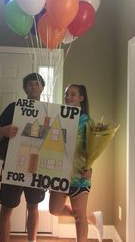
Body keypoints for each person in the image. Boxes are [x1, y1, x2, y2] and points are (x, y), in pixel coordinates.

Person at [0, 72, 46, 242]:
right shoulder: (13, 108)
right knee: (7, 208)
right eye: (30, 84)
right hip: (14, 165)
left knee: (34, 206)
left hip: (37, 168)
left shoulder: (49, 111)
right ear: (24, 88)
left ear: (42, 87)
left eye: (37, 83)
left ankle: (32, 240)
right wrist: (2, 131)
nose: (34, 86)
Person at [49, 84, 103, 242]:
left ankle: (86, 222)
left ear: (81, 98)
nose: (68, 97)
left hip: (79, 175)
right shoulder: (58, 116)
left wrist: (89, 168)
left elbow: (92, 149)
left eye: (73, 94)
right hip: (59, 174)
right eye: (66, 94)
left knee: (79, 217)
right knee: (54, 209)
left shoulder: (86, 121)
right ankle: (92, 218)